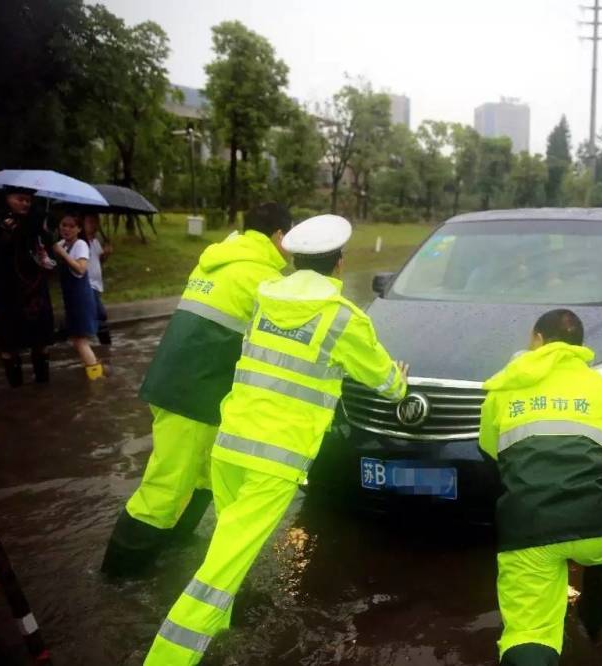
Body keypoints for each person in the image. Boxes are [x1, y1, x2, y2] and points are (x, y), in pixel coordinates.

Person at [143, 214, 408, 665]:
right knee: (219, 574)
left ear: (295, 258)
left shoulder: (265, 299)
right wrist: (399, 384)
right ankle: (167, 658)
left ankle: (222, 633)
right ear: (339, 265)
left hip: (230, 445)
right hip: (274, 461)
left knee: (226, 549)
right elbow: (384, 380)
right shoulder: (342, 317)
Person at [101, 203, 292, 577]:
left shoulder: (215, 260)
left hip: (185, 387)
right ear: (279, 236)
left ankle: (174, 541)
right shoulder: (263, 278)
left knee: (203, 473)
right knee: (166, 486)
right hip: (192, 394)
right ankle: (120, 575)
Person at [479, 309, 602, 666]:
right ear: (579, 346)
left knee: (529, 631)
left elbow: (491, 449)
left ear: (537, 339)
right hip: (600, 522)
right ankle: (598, 620)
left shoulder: (504, 387)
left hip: (529, 529)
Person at [0, 187, 55, 386]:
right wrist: (6, 234)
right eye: (20, 199)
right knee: (10, 342)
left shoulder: (36, 221)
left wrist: (44, 240)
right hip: (8, 290)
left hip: (35, 289)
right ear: (8, 198)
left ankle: (42, 386)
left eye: (28, 200)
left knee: (41, 339)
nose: (25, 203)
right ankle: (16, 389)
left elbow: (47, 247)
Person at [52, 211, 102, 379]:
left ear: (79, 229)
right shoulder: (61, 244)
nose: (66, 229)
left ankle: (96, 379)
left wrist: (62, 254)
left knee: (80, 340)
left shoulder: (80, 244)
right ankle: (96, 370)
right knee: (77, 340)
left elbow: (81, 268)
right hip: (70, 299)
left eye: (71, 226)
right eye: (63, 225)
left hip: (81, 298)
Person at [83, 212, 112, 345]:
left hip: (96, 284)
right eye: (91, 222)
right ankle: (106, 346)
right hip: (87, 284)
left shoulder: (94, 241)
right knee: (101, 314)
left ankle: (102, 347)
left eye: (96, 222)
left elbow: (99, 261)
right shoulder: (81, 243)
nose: (95, 225)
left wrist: (106, 253)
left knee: (96, 315)